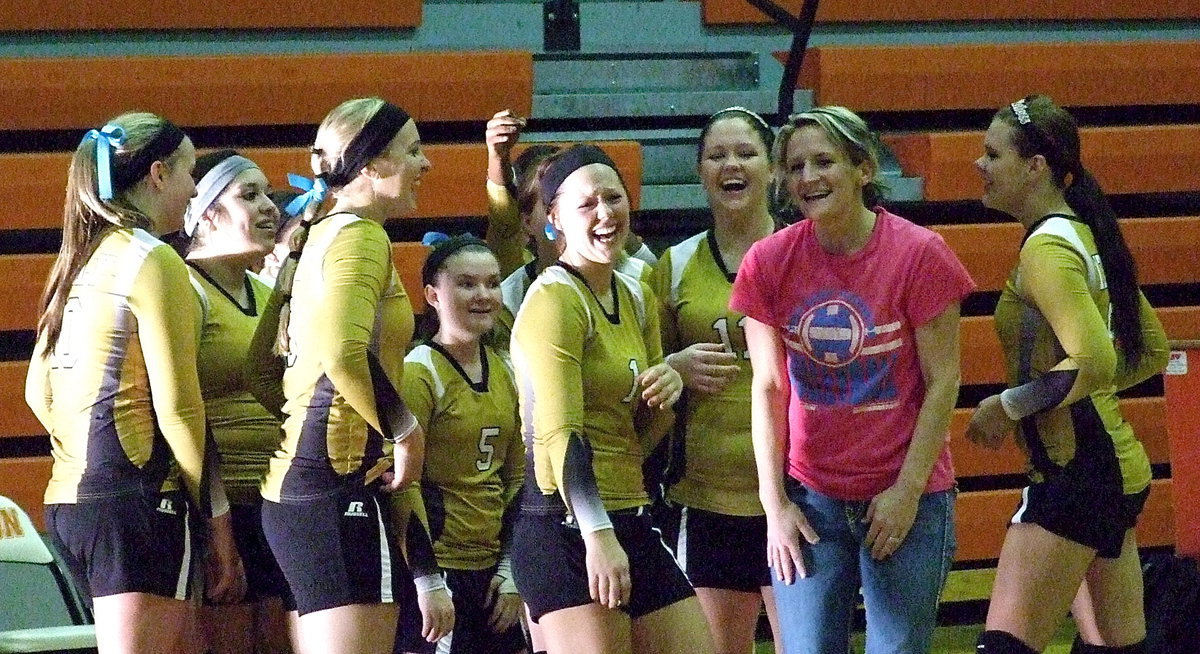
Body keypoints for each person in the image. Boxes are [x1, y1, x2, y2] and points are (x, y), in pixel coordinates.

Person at [729, 106, 975, 654]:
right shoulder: (767, 262)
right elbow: (768, 387)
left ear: (863, 168)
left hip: (906, 494)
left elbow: (944, 381)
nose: (808, 178)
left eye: (824, 162)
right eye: (795, 167)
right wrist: (775, 505)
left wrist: (908, 491)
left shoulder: (920, 254)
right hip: (811, 499)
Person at [24, 112, 243, 653]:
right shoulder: (152, 256)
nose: (196, 190)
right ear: (159, 173)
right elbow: (180, 409)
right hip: (139, 504)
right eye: (191, 172)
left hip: (73, 506)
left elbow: (37, 391)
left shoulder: (78, 258)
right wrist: (219, 524)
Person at [967, 94, 1169, 654]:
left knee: (1004, 647)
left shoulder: (1046, 248)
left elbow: (1097, 359)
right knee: (1115, 648)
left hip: (1074, 473)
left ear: (1035, 167)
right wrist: (1080, 388)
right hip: (1110, 469)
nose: (978, 165)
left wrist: (1009, 405)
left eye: (992, 154)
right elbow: (1148, 351)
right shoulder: (1082, 234)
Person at [509, 144, 712, 654]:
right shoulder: (554, 298)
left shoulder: (636, 293)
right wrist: (597, 535)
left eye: (613, 198)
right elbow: (560, 434)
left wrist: (669, 386)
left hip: (630, 511)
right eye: (586, 204)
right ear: (552, 219)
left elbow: (644, 431)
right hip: (563, 522)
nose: (605, 214)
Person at [250, 97, 435, 654]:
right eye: (413, 151)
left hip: (300, 492)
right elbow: (342, 351)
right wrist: (403, 430)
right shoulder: (359, 234)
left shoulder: (319, 234)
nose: (426, 164)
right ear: (373, 165)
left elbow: (260, 369)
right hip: (333, 492)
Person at [650, 107, 782, 654]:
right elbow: (646, 376)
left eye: (746, 153)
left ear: (773, 169)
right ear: (701, 171)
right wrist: (675, 367)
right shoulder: (675, 265)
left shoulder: (807, 255)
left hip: (798, 498)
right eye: (717, 155)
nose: (732, 164)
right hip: (706, 502)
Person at [181, 149, 290, 654]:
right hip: (216, 510)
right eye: (250, 195)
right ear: (204, 213)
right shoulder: (182, 289)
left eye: (268, 192)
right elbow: (180, 412)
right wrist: (215, 526)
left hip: (277, 503)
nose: (270, 206)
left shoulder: (268, 291)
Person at [397, 235, 527, 654]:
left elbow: (518, 478)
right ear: (433, 295)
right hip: (439, 569)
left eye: (492, 283)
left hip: (491, 573)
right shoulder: (419, 372)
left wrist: (510, 571)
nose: (484, 295)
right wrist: (427, 580)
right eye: (467, 284)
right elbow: (404, 485)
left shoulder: (507, 369)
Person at [482, 115, 652, 351]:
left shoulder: (639, 278)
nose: (602, 212)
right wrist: (497, 158)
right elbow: (504, 225)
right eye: (549, 201)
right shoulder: (513, 293)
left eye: (613, 198)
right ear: (528, 221)